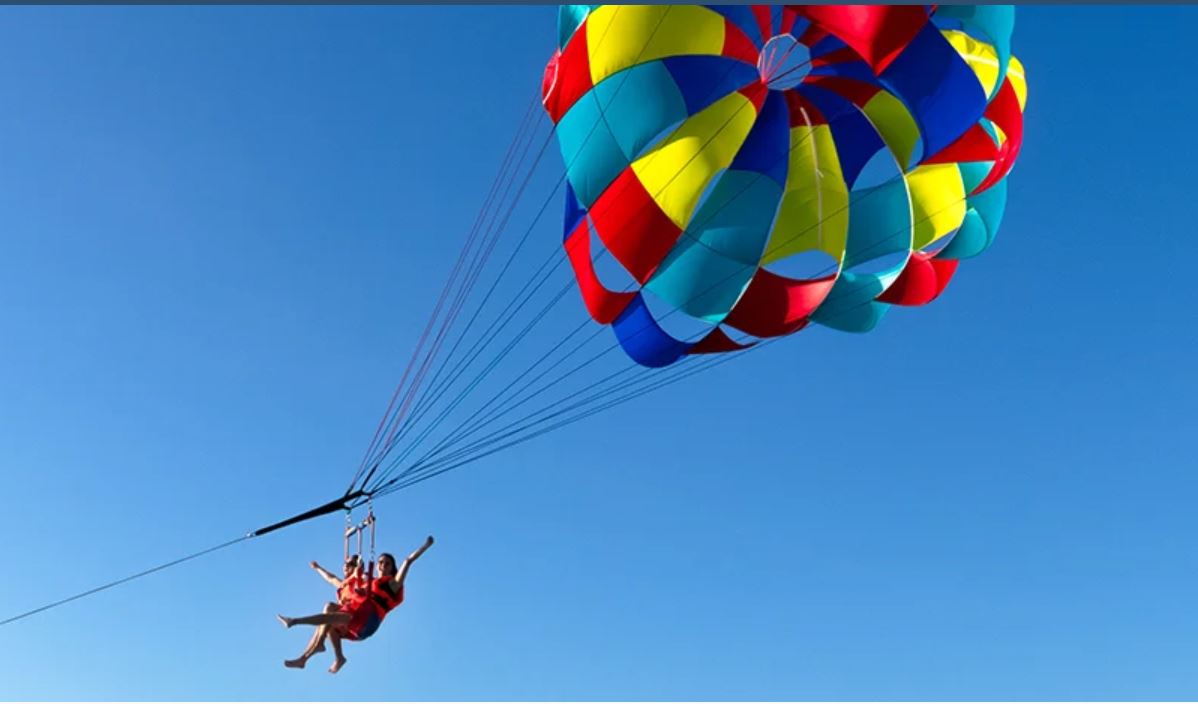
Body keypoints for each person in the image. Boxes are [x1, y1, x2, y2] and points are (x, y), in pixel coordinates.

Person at [279, 535, 435, 673]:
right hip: (358, 613)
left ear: (392, 568)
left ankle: (296, 622)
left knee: (332, 616)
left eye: (387, 563)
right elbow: (332, 579)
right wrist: (358, 591)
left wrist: (425, 546)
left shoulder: (393, 585)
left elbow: (407, 562)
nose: (382, 565)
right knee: (329, 610)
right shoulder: (370, 582)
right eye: (380, 562)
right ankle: (309, 658)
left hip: (369, 620)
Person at [283, 555, 368, 668]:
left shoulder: (361, 580)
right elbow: (330, 578)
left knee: (329, 608)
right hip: (345, 624)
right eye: (345, 564)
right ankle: (305, 659)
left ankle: (318, 644)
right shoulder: (344, 585)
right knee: (324, 623)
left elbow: (367, 580)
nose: (346, 566)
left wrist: (360, 571)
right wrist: (318, 568)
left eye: (350, 564)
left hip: (358, 621)